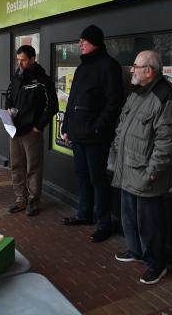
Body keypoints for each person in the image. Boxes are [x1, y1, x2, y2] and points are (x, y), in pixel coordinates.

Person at [111, 50, 172, 285]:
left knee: (150, 224)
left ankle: (156, 264)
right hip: (129, 166)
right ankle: (135, 251)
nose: (131, 70)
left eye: (135, 66)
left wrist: (153, 172)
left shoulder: (166, 95)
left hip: (146, 172)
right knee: (129, 215)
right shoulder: (137, 92)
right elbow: (123, 124)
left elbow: (167, 141)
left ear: (148, 71)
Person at [61, 24, 124, 243]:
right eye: (80, 41)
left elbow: (115, 102)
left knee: (98, 180)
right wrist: (65, 126)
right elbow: (72, 100)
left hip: (97, 137)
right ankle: (84, 214)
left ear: (95, 42)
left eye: (83, 41)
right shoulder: (82, 68)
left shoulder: (109, 66)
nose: (80, 44)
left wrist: (98, 126)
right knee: (82, 176)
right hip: (78, 134)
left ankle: (103, 223)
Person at [5, 45, 58, 216]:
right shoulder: (16, 77)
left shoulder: (43, 80)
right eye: (18, 59)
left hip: (31, 132)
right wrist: (7, 109)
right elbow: (9, 97)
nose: (20, 63)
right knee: (16, 165)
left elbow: (53, 106)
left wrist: (38, 126)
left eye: (24, 60)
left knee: (33, 167)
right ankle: (21, 199)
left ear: (33, 59)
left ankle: (34, 201)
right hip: (15, 130)